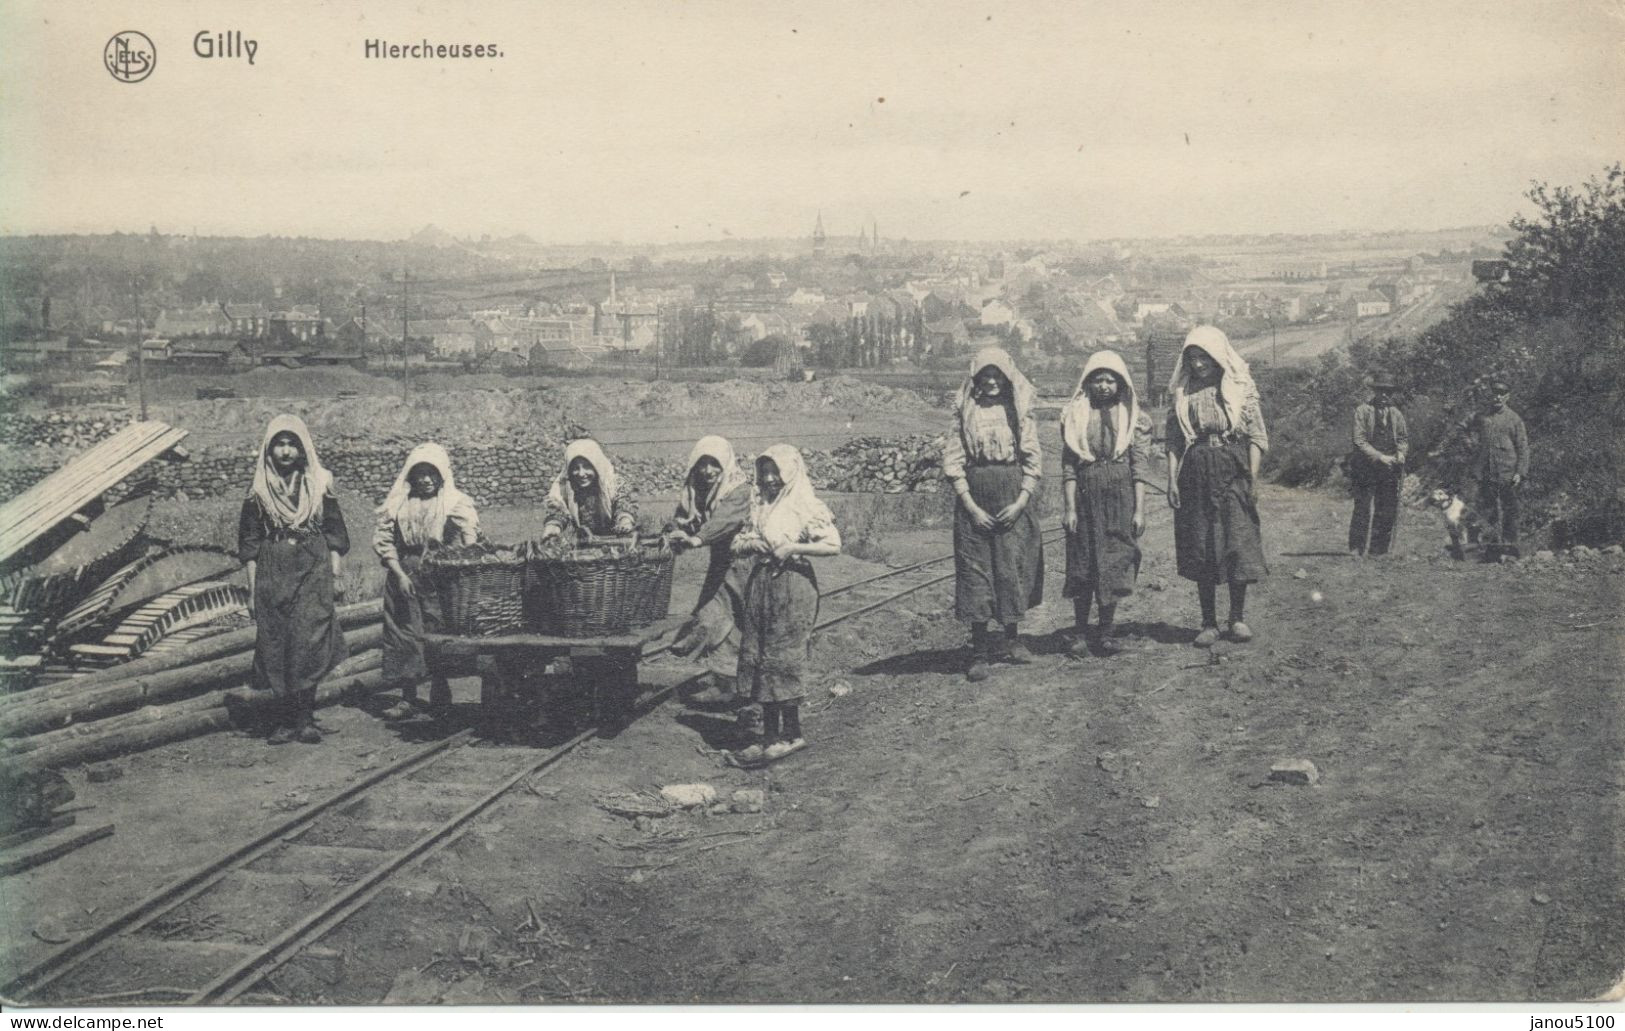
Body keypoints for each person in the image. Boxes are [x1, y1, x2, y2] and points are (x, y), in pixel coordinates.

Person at [237, 415, 349, 745]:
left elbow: (334, 533)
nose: (286, 452)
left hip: (313, 566)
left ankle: (305, 718)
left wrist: (336, 575)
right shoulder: (257, 490)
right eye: (279, 445)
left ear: (302, 449)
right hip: (273, 569)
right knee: (275, 643)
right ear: (268, 450)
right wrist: (252, 588)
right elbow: (249, 544)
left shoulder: (320, 483)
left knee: (309, 639)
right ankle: (283, 720)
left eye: (292, 445)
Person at [728, 445, 841, 766]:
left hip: (793, 586)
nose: (769, 478)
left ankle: (792, 734)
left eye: (775, 471)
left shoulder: (804, 504)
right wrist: (754, 543)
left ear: (789, 472)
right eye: (764, 472)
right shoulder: (761, 504)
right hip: (762, 584)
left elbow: (833, 544)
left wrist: (792, 547)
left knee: (783, 656)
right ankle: (768, 736)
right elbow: (738, 542)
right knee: (761, 654)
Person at [942, 346, 1044, 682]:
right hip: (976, 492)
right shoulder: (965, 413)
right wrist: (971, 506)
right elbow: (954, 462)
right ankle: (979, 651)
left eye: (996, 375)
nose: (991, 382)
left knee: (1011, 564)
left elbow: (1032, 460)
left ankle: (1012, 639)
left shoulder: (1019, 412)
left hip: (1011, 491)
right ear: (976, 380)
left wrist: (1020, 502)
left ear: (1007, 378)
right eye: (984, 376)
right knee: (976, 570)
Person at [1164, 325, 1269, 646]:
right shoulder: (1183, 393)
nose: (1198, 365)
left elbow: (1256, 436)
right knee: (1202, 544)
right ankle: (1208, 622)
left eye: (1204, 357)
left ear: (1218, 356)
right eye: (1192, 359)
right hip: (1196, 469)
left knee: (1237, 540)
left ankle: (1236, 619)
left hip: (1232, 466)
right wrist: (1172, 479)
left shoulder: (1239, 388)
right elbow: (1173, 440)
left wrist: (1252, 478)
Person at [373, 442, 480, 720]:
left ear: (441, 475)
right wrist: (399, 575)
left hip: (438, 574)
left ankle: (440, 691)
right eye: (419, 473)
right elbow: (385, 543)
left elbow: (470, 533)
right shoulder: (398, 505)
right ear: (410, 476)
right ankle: (408, 696)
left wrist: (469, 556)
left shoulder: (453, 502)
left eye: (431, 473)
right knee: (403, 633)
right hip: (404, 572)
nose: (425, 479)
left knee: (436, 630)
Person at [1059, 350, 1152, 658]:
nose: (1103, 386)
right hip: (1086, 494)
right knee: (1083, 563)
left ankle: (1107, 633)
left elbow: (1139, 468)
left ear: (1120, 383)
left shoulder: (1133, 418)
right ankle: (1081, 633)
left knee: (1113, 561)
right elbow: (1069, 466)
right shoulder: (1075, 415)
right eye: (1097, 379)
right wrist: (1070, 507)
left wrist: (1139, 509)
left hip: (1119, 494)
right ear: (1088, 382)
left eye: (1110, 380)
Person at [663, 436, 752, 696]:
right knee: (713, 615)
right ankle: (726, 680)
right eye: (702, 464)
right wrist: (676, 532)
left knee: (738, 619)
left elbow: (723, 522)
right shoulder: (698, 489)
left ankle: (739, 686)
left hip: (745, 564)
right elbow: (689, 520)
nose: (708, 471)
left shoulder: (739, 490)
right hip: (721, 562)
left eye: (715, 464)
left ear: (726, 464)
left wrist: (697, 539)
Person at [1348, 372, 1409, 557]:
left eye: (1388, 392)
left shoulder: (1396, 414)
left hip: (1389, 469)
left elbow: (1403, 438)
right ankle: (1357, 548)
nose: (1384, 396)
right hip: (1365, 467)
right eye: (1381, 391)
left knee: (1386, 508)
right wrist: (1380, 456)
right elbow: (1359, 440)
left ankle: (1379, 549)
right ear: (1375, 391)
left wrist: (1401, 453)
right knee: (1362, 508)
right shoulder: (1362, 411)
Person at [1466, 379, 1529, 560]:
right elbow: (1463, 428)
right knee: (1488, 510)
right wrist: (1469, 444)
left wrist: (1520, 472)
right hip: (1487, 472)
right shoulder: (1483, 417)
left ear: (1507, 397)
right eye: (1495, 393)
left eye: (1502, 394)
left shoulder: (1514, 419)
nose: (1498, 397)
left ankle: (1511, 549)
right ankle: (1492, 550)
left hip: (1508, 473)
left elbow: (1523, 447)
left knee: (1511, 511)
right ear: (1490, 395)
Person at [540, 438, 637, 542]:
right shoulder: (564, 487)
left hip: (616, 540)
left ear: (596, 466)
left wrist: (624, 522)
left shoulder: (613, 483)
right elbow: (558, 512)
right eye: (576, 468)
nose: (581, 474)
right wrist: (552, 528)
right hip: (581, 542)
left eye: (587, 467)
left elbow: (624, 506)